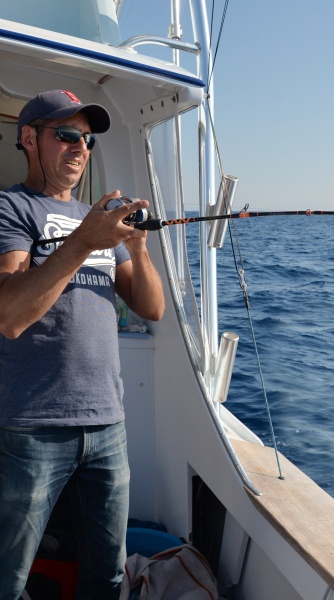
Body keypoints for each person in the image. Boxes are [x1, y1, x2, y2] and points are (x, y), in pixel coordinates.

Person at [0, 89, 165, 599]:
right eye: (65, 135)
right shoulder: (11, 207)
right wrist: (85, 242)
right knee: (9, 577)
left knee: (107, 575)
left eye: (87, 140)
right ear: (29, 139)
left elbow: (151, 307)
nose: (80, 148)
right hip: (31, 426)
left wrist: (135, 245)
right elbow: (9, 315)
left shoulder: (98, 223)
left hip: (108, 423)